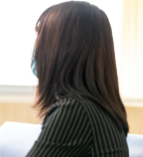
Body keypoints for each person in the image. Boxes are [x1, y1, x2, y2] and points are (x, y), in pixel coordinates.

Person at [27, 1, 129, 156]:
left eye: (40, 34)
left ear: (62, 48)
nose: (36, 44)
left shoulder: (75, 110)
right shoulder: (98, 107)